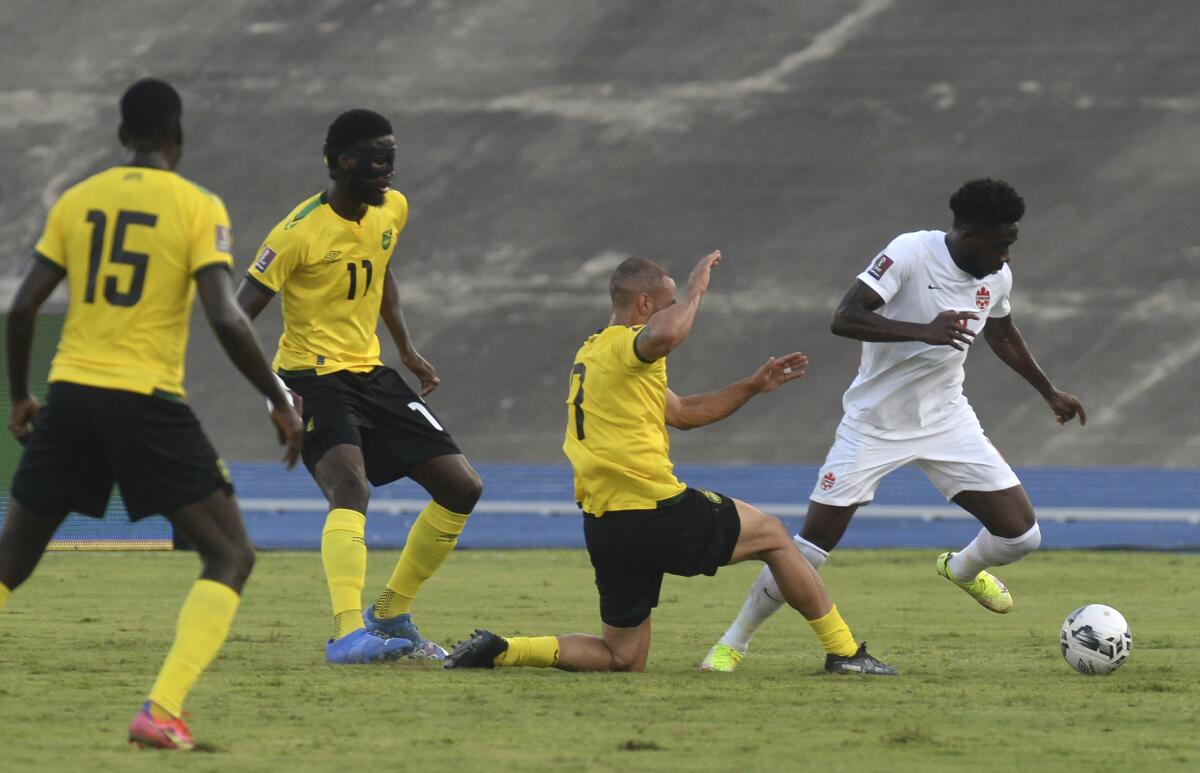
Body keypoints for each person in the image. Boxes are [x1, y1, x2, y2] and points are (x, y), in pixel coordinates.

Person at [0, 79, 303, 750]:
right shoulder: (197, 205)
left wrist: (22, 393)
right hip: (144, 401)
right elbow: (225, 313)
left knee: (10, 561)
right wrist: (279, 397)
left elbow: (22, 307)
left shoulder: (76, 202)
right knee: (230, 553)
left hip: (71, 395)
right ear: (178, 137)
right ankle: (162, 710)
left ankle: (164, 712)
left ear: (120, 135)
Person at [443, 252, 895, 675]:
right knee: (775, 536)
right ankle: (845, 652)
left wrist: (752, 386)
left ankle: (505, 649)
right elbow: (665, 334)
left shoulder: (593, 353)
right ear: (644, 304)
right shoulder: (629, 344)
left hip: (606, 524)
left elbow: (683, 413)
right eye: (668, 303)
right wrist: (697, 288)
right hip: (654, 509)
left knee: (624, 658)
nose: (674, 310)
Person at [702, 178, 1086, 672]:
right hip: (874, 425)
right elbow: (845, 316)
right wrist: (921, 332)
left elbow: (1002, 332)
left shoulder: (998, 277)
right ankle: (732, 644)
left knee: (1022, 536)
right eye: (1000, 244)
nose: (1007, 256)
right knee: (811, 549)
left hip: (947, 419)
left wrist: (1048, 390)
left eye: (1011, 243)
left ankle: (962, 568)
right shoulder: (909, 253)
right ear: (969, 236)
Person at [235, 109, 482, 665]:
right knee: (352, 487)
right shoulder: (295, 233)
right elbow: (237, 315)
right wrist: (276, 392)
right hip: (312, 379)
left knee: (462, 487)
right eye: (378, 160)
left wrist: (406, 347)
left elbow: (381, 267)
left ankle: (392, 612)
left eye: (392, 159)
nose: (389, 171)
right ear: (343, 162)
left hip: (371, 373)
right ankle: (348, 633)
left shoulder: (391, 208)